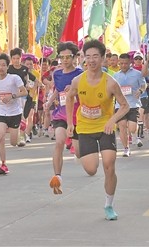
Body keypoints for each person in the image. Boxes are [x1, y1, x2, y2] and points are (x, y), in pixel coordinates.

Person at [65, 40, 129, 221]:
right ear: (84, 59)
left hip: (105, 128)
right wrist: (70, 122)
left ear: (103, 59)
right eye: (88, 57)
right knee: (92, 169)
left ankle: (109, 205)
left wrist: (112, 120)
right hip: (84, 128)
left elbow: (125, 106)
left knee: (109, 165)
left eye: (95, 57)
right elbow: (70, 99)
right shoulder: (78, 80)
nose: (92, 60)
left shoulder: (111, 83)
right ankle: (80, 151)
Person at [45, 42, 83, 194]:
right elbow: (57, 90)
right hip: (61, 114)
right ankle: (57, 177)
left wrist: (74, 90)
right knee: (59, 143)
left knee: (79, 153)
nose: (65, 60)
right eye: (62, 57)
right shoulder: (57, 73)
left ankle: (78, 153)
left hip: (77, 116)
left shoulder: (80, 74)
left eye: (68, 57)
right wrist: (49, 101)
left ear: (74, 57)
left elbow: (85, 94)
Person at [0, 53, 27, 175]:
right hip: (1, 113)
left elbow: (24, 91)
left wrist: (12, 96)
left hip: (15, 112)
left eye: (3, 65)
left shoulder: (14, 78)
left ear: (7, 66)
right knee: (0, 137)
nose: (1, 67)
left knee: (13, 143)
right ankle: (3, 164)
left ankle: (21, 126)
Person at [113, 53, 146, 157]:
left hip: (133, 104)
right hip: (120, 105)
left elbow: (144, 84)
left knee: (132, 128)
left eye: (125, 63)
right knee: (122, 127)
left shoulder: (137, 73)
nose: (123, 65)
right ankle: (126, 148)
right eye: (121, 63)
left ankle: (135, 136)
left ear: (130, 63)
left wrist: (140, 90)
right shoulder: (115, 76)